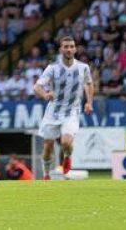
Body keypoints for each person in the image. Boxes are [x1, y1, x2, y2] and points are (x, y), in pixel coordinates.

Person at [33, 36, 94, 180]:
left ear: (75, 49)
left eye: (71, 46)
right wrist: (45, 94)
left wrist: (89, 102)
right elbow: (37, 86)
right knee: (48, 147)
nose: (69, 49)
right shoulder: (52, 68)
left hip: (72, 111)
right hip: (53, 112)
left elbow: (89, 84)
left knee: (66, 142)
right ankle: (46, 174)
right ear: (61, 49)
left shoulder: (83, 67)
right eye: (66, 46)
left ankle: (67, 156)